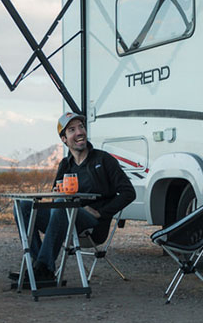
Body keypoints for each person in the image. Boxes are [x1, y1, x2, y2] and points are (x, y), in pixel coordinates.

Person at [14, 111, 136, 283]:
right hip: (63, 220)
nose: (79, 132)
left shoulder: (103, 159)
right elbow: (56, 195)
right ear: (64, 139)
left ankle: (44, 269)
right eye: (72, 130)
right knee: (22, 207)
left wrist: (101, 212)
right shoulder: (65, 164)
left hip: (92, 224)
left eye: (81, 127)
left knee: (62, 206)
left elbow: (128, 193)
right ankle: (38, 266)